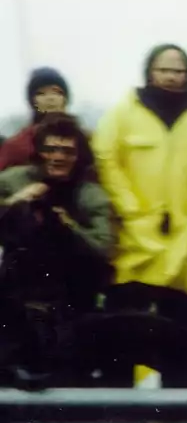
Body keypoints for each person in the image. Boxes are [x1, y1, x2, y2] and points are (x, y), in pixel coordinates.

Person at [91, 45, 187, 332]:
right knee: (123, 336)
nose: (171, 77)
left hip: (185, 249)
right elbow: (105, 159)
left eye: (179, 71)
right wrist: (131, 209)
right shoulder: (122, 115)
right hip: (133, 244)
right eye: (163, 70)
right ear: (149, 73)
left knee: (180, 341)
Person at [0, 115, 116, 338]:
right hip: (17, 288)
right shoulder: (13, 181)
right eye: (50, 149)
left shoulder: (90, 195)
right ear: (38, 152)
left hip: (72, 293)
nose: (58, 157)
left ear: (78, 156)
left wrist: (69, 226)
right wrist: (15, 202)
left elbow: (103, 248)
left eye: (67, 151)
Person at [0, 68, 73, 172]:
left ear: (65, 98)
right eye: (41, 93)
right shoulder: (17, 145)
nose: (50, 98)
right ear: (32, 101)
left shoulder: (84, 138)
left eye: (57, 92)